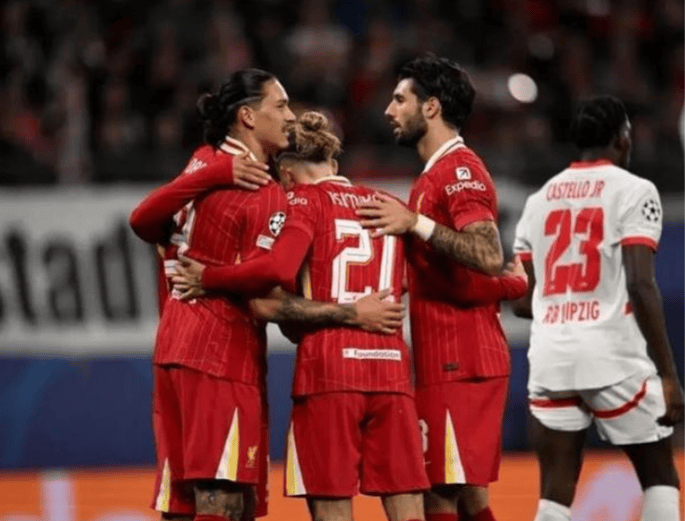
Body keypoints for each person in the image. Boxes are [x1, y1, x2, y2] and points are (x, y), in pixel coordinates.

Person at [129, 69, 401, 521]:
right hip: (221, 352)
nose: (289, 116)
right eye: (280, 105)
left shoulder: (204, 160)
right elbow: (270, 289)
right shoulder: (267, 194)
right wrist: (352, 313)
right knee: (223, 496)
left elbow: (143, 220)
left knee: (183, 500)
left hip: (174, 344)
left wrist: (213, 174)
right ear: (248, 116)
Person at [172, 111, 430, 521]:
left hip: (329, 374)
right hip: (392, 372)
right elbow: (406, 283)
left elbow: (266, 302)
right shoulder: (390, 205)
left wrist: (212, 279)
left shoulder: (299, 204)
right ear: (334, 163)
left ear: (286, 174)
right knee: (409, 508)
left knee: (332, 507)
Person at [355, 55, 528, 521]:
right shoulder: (435, 174)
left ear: (430, 107)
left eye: (400, 99)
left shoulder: (458, 171)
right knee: (469, 497)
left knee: (438, 494)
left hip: (460, 361)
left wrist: (416, 223)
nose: (389, 110)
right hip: (452, 359)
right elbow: (465, 273)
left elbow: (487, 253)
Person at [511, 95, 684, 521]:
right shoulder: (635, 190)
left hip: (552, 355)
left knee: (555, 493)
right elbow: (640, 284)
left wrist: (560, 303)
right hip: (611, 354)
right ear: (622, 137)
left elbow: (522, 301)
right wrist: (667, 374)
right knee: (660, 475)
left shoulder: (537, 200)